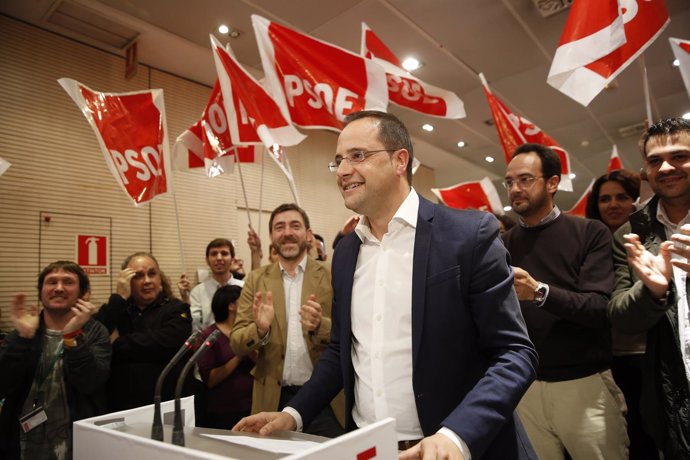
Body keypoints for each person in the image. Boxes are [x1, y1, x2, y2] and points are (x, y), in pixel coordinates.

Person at [234, 111, 538, 460]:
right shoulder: (346, 252)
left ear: (399, 160)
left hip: (458, 448)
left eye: (358, 156)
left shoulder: (469, 235)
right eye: (338, 161)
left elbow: (515, 353)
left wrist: (456, 435)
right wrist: (293, 414)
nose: (344, 170)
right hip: (370, 448)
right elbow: (340, 351)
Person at [502, 143, 628, 459]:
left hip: (584, 385)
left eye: (525, 179)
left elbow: (599, 308)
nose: (515, 189)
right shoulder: (503, 244)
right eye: (510, 182)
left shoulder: (590, 233)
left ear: (552, 183)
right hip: (525, 387)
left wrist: (540, 293)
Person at [608, 117, 690, 459]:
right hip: (673, 394)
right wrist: (653, 291)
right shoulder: (631, 233)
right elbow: (620, 316)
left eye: (680, 156)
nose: (666, 167)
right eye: (655, 160)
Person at [231, 203, 345, 438]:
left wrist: (320, 326)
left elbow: (352, 334)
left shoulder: (332, 273)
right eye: (279, 227)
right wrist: (260, 330)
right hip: (273, 399)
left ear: (308, 234)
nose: (287, 232)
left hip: (326, 399)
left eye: (295, 225)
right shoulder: (256, 279)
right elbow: (236, 342)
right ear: (272, 236)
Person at [0, 261, 111, 460]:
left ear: (82, 293)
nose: (59, 288)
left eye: (68, 282)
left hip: (74, 442)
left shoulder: (95, 331)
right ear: (41, 291)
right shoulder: (25, 330)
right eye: (51, 282)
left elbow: (90, 383)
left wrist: (73, 336)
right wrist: (21, 340)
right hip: (20, 442)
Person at [586, 170, 657, 459]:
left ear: (635, 200)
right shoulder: (587, 243)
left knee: (646, 436)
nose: (612, 204)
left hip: (644, 354)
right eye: (605, 199)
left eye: (621, 197)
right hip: (600, 360)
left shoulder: (647, 239)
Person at [95, 252, 192, 411]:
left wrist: (117, 344)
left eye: (152, 274)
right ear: (127, 281)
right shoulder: (118, 308)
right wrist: (119, 297)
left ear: (159, 278)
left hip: (163, 402)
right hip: (120, 402)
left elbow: (167, 343)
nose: (147, 281)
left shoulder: (176, 308)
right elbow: (97, 337)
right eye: (138, 276)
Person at [197, 285, 254, 429]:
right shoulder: (209, 335)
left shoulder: (248, 332)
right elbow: (210, 379)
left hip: (253, 405)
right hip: (223, 409)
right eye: (244, 300)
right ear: (231, 306)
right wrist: (238, 356)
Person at [178, 238, 244, 331]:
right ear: (207, 260)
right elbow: (194, 327)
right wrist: (186, 300)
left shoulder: (245, 287)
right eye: (214, 254)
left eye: (224, 253)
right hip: (211, 343)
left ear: (232, 259)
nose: (219, 258)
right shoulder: (197, 292)